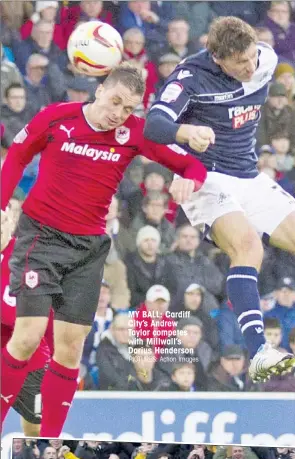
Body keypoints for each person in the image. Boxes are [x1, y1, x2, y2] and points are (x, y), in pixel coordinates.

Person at [144, 16, 295, 383]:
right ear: (216, 57)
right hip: (206, 179)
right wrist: (185, 130)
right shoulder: (190, 76)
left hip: (249, 175)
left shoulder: (267, 59)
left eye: (252, 57)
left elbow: (262, 67)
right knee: (248, 247)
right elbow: (153, 125)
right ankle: (259, 351)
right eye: (240, 62)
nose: (250, 66)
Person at [1, 63, 207, 436]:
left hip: (88, 249)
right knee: (28, 335)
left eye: (128, 108)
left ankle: (48, 445)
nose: (119, 114)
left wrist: (188, 179)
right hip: (41, 238)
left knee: (70, 351)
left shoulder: (134, 134)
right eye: (115, 102)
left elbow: (191, 163)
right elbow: (16, 156)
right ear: (99, 91)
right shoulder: (56, 118)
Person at [1, 214, 52, 436]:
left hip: (28, 362)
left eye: (3, 221)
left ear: (11, 224)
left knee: (38, 431)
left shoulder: (24, 260)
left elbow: (18, 318)